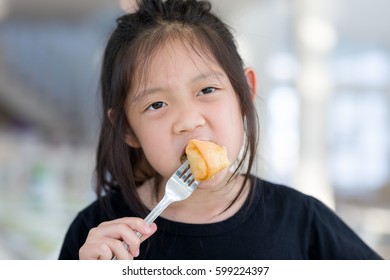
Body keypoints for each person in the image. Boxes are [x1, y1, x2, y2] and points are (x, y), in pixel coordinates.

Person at [58, 0, 382, 260]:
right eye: (156, 105)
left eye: (206, 90)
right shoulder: (97, 235)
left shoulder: (300, 220)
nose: (188, 120)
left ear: (245, 93)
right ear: (127, 129)